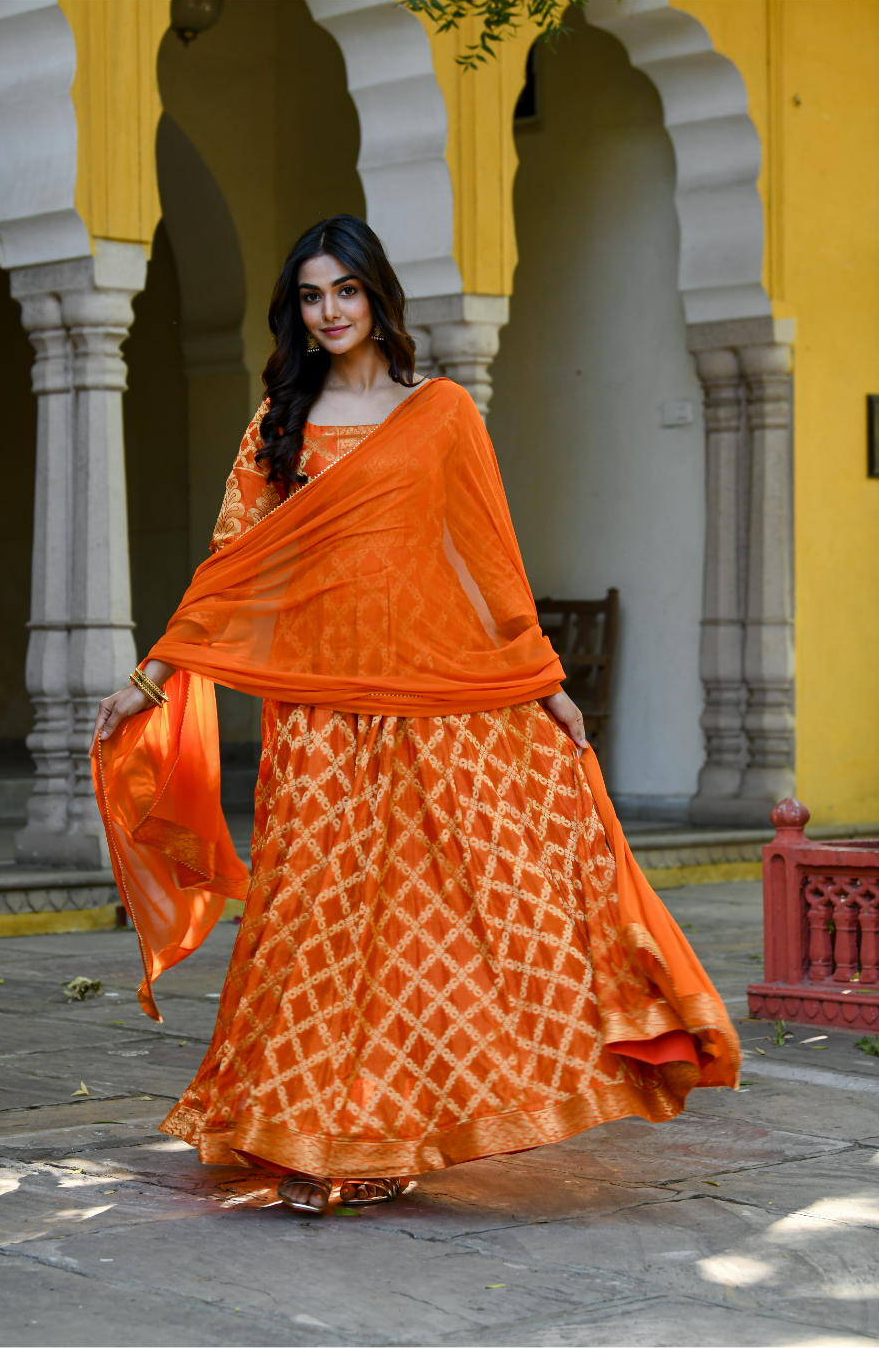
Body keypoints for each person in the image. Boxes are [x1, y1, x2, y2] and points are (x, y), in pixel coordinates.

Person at [91, 215, 739, 1215]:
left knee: (428, 919)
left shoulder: (441, 413)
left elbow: (489, 556)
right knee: (316, 912)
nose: (329, 311)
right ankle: (306, 1136)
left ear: (377, 295)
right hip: (318, 707)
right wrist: (151, 674)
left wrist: (543, 680)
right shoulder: (281, 420)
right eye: (311, 295)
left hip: (433, 695)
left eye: (345, 290)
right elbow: (235, 562)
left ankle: (385, 1135)